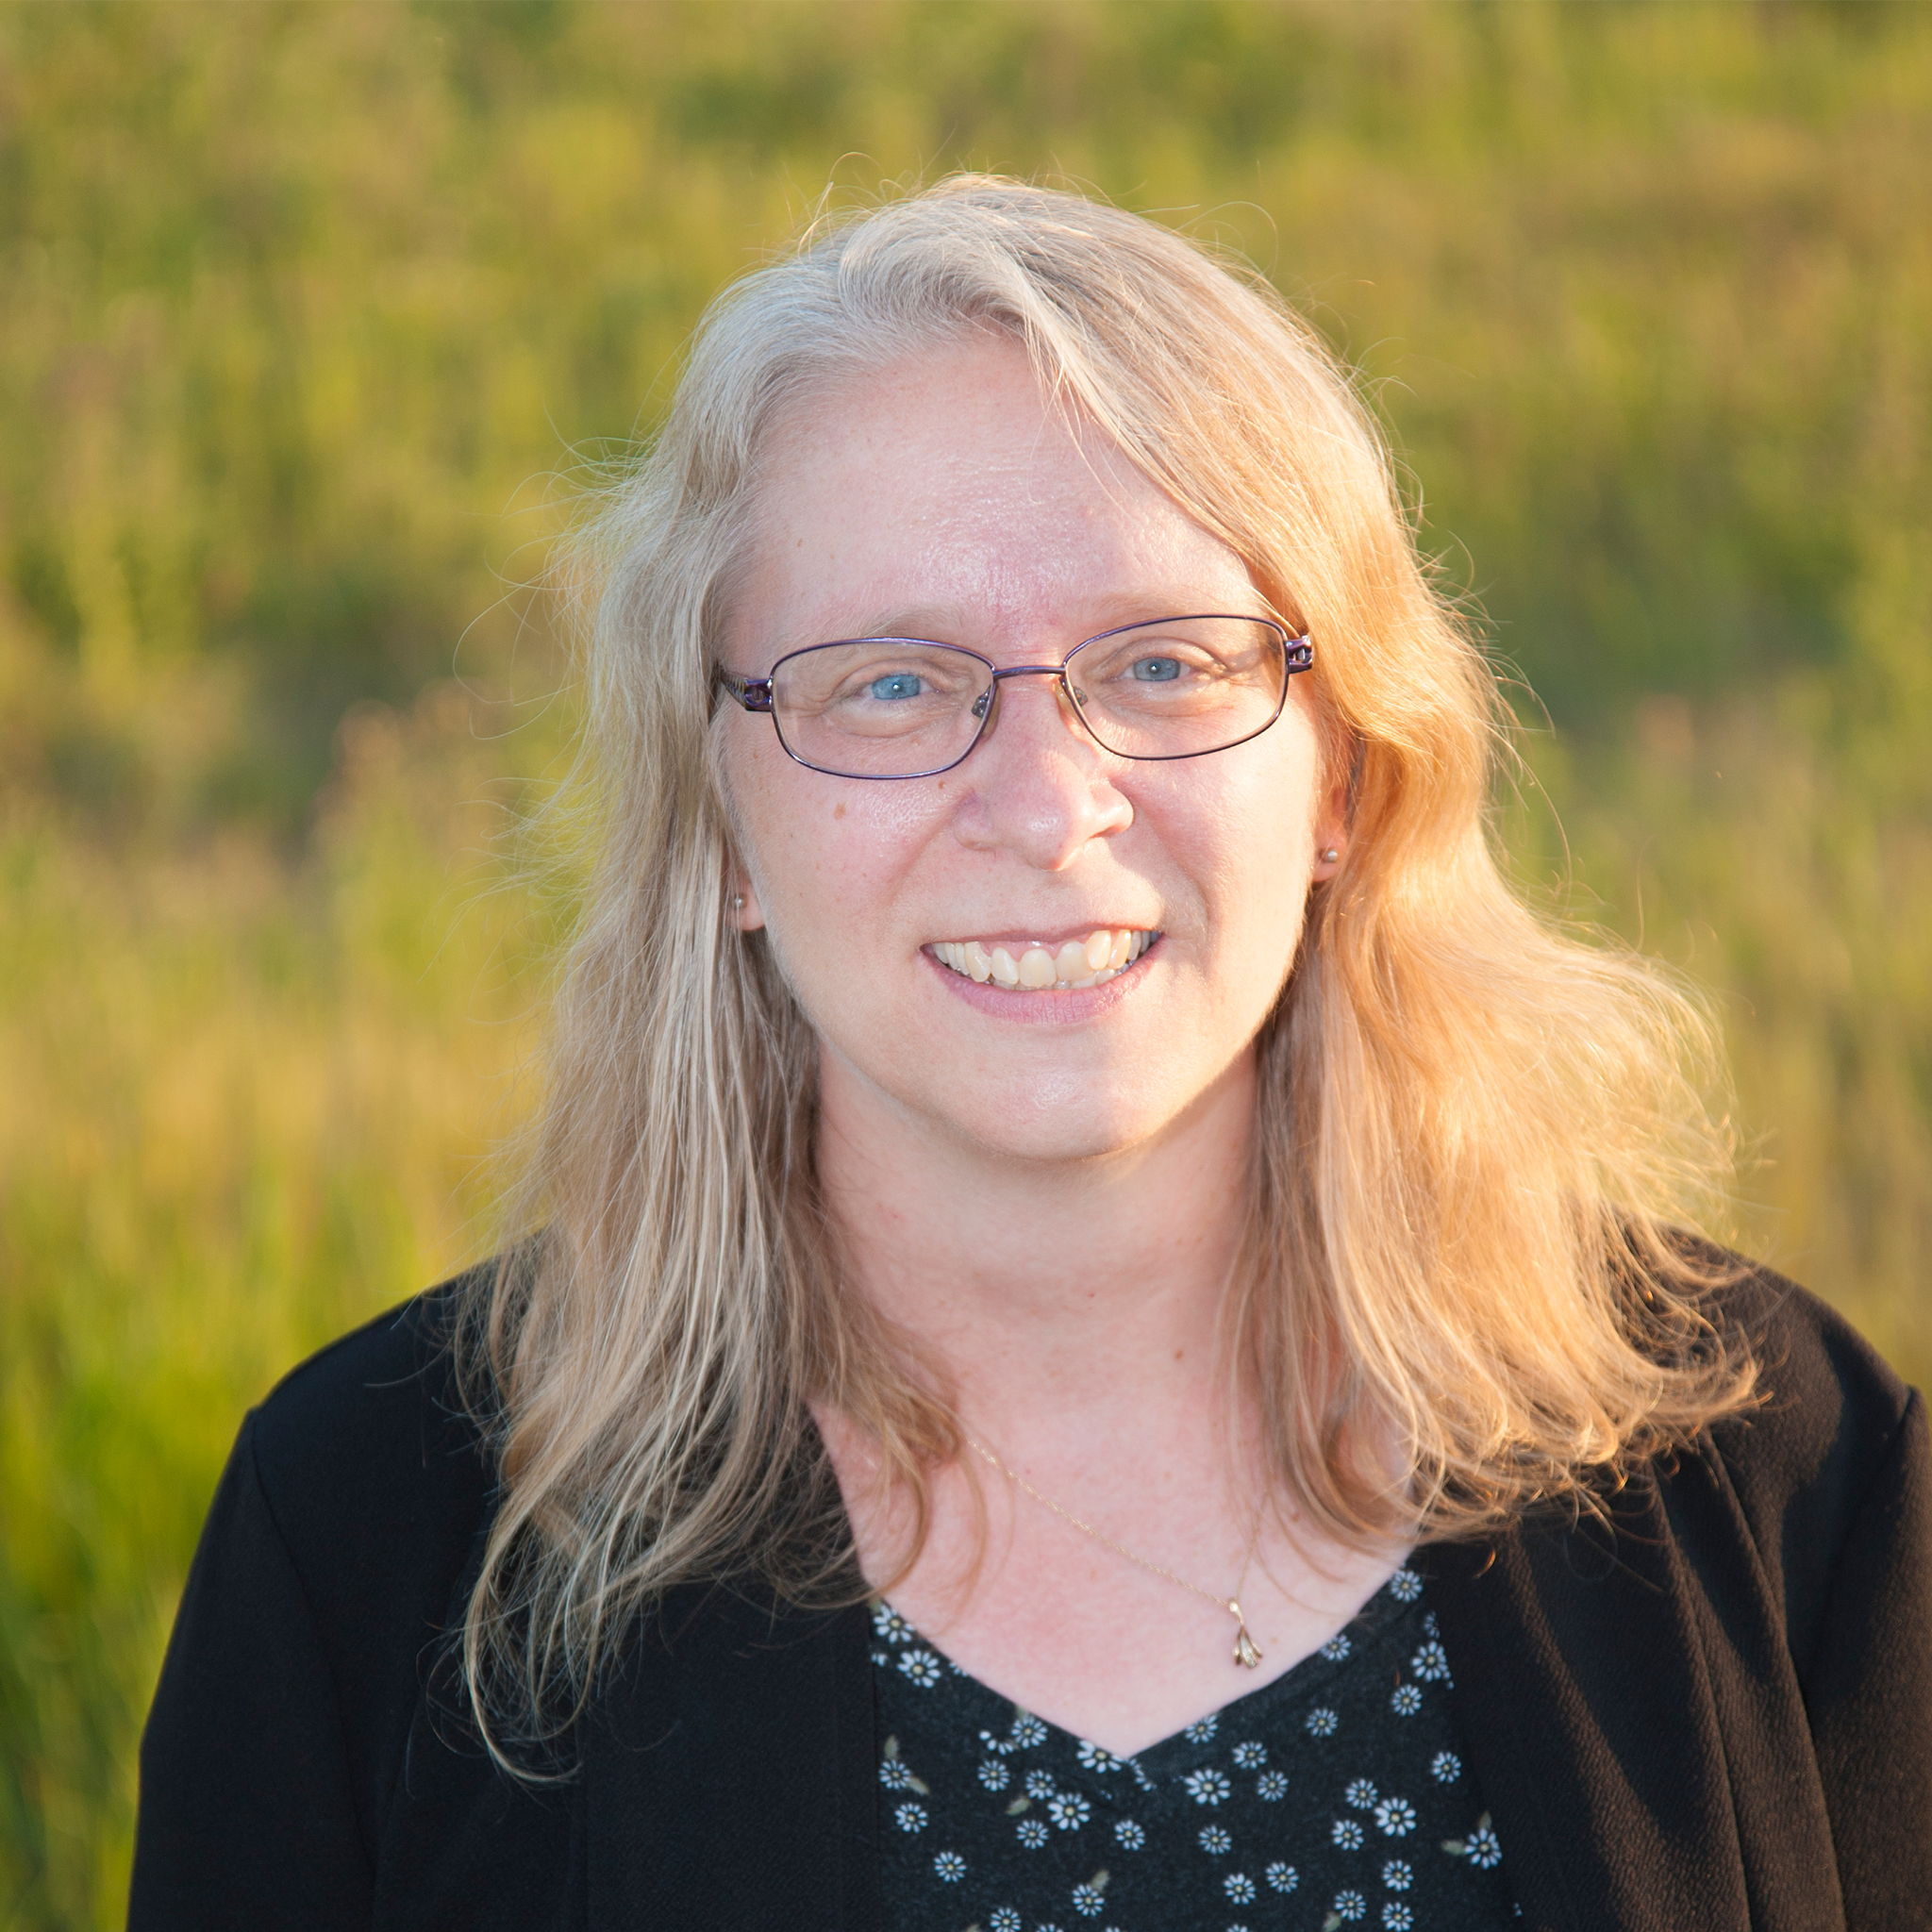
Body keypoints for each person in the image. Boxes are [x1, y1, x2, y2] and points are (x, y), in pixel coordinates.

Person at [129, 176, 1928, 1932]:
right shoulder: (373, 1533)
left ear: (1346, 776)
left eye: (1163, 665)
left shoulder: (1778, 1465)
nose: (1051, 808)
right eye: (891, 682)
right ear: (726, 829)